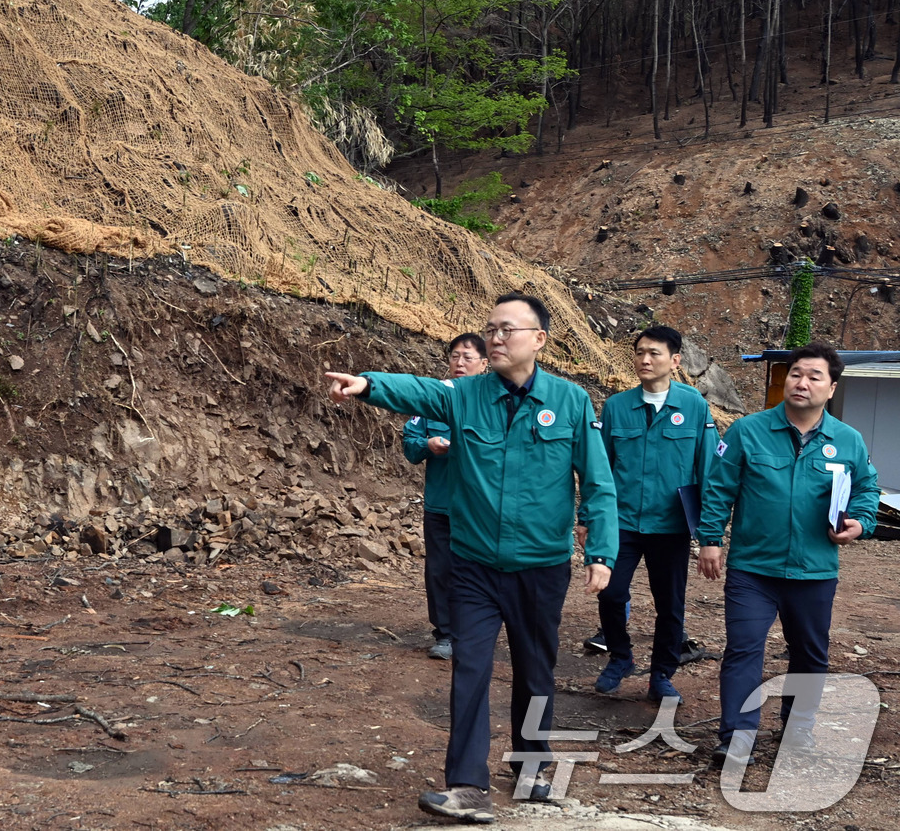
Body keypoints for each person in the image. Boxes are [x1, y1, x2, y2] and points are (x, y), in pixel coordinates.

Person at [326, 292, 617, 824]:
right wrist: (368, 385)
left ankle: (532, 767)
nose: (496, 338)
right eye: (491, 329)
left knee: (535, 671)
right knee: (470, 670)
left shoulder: (571, 401)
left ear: (539, 339)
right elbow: (419, 390)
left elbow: (598, 482)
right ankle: (466, 786)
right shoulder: (464, 395)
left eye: (508, 329)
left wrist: (601, 552)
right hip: (474, 564)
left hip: (540, 566)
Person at [697, 343, 880, 765]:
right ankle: (737, 736)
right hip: (753, 568)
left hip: (814, 570)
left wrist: (860, 523)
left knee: (810, 654)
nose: (802, 382)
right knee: (744, 649)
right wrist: (710, 539)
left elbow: (867, 488)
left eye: (814, 376)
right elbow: (719, 487)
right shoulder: (748, 431)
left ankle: (798, 732)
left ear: (831, 388)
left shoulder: (847, 440)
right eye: (796, 373)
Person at [590, 325, 718, 701]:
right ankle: (621, 657)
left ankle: (661, 674)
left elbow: (708, 468)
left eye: (654, 353)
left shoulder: (694, 406)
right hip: (622, 521)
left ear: (675, 361)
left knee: (670, 605)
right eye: (640, 352)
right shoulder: (617, 406)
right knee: (611, 593)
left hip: (671, 524)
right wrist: (588, 518)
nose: (645, 360)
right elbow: (599, 468)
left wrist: (710, 533)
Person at [403, 333, 488, 660]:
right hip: (441, 504)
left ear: (484, 364)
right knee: (440, 570)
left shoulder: (493, 402)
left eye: (468, 357)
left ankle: (475, 631)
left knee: (478, 570)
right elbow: (410, 445)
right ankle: (446, 634)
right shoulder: (433, 399)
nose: (460, 363)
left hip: (480, 506)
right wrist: (428, 445)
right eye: (455, 356)